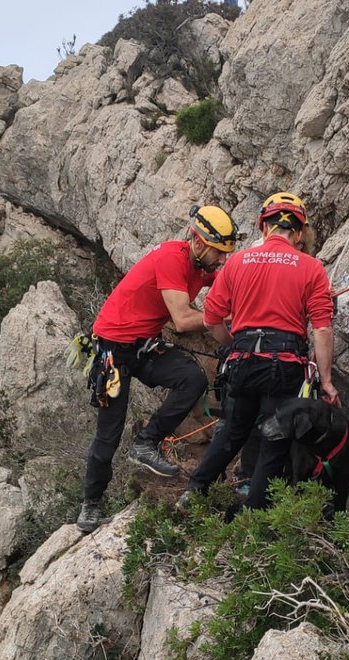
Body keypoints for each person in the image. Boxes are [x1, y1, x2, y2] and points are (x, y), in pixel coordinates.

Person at [75, 204, 239, 533]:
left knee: (190, 378)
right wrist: (228, 319)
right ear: (199, 243)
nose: (221, 260)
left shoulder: (200, 266)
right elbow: (181, 320)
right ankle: (90, 504)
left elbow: (226, 280)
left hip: (141, 345)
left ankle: (146, 442)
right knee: (108, 435)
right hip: (113, 349)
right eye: (218, 253)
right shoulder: (172, 259)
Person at [178, 191, 338, 511]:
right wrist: (327, 380)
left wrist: (232, 343)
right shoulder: (311, 268)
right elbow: (321, 328)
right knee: (274, 440)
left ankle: (194, 491)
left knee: (233, 431)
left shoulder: (236, 263)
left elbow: (211, 318)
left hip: (243, 360)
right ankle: (253, 514)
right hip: (285, 364)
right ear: (299, 231)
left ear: (264, 226)